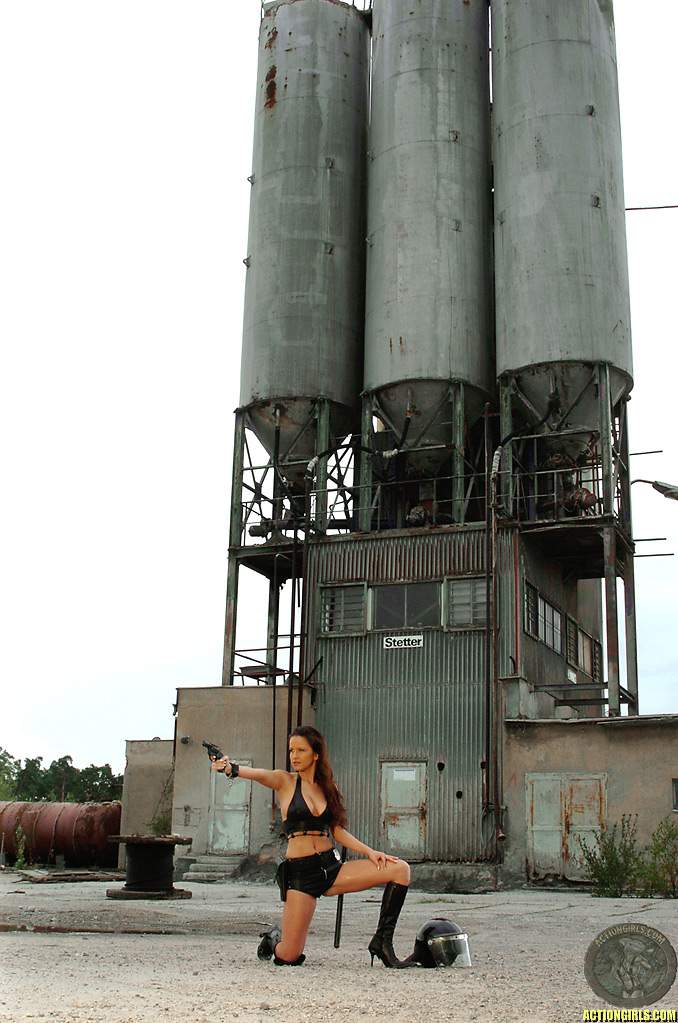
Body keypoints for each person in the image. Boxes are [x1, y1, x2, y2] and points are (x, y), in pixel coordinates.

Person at [210, 725, 414, 968]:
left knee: (400, 869)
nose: (294, 756)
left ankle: (382, 942)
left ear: (316, 754)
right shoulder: (285, 781)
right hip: (301, 874)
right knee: (288, 956)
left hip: (331, 868)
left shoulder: (328, 788)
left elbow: (337, 831)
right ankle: (274, 939)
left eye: (301, 750)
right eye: (291, 750)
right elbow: (256, 773)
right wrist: (229, 768)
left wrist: (370, 852)